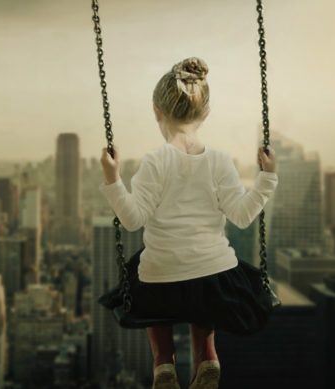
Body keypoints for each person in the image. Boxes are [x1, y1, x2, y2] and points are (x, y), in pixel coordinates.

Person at [97, 57, 278, 389]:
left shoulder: (155, 161)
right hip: (214, 279)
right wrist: (267, 178)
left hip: (161, 280)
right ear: (206, 113)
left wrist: (112, 178)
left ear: (156, 111)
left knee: (143, 271)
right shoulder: (221, 161)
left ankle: (163, 362)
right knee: (206, 279)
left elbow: (133, 220)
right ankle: (207, 355)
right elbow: (242, 215)